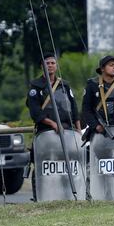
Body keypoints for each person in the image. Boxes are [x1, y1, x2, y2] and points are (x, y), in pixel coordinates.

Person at [27, 54, 80, 200]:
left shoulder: (64, 85)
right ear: (42, 66)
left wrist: (78, 129)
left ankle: (68, 194)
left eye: (53, 63)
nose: (50, 65)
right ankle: (39, 196)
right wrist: (52, 124)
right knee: (43, 164)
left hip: (67, 130)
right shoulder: (35, 86)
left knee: (67, 162)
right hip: (46, 131)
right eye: (47, 63)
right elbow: (35, 111)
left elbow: (73, 108)